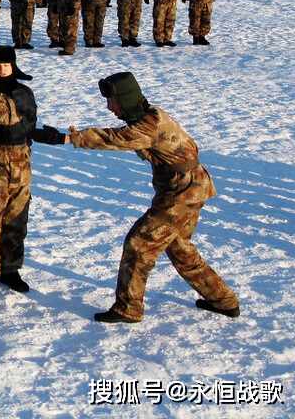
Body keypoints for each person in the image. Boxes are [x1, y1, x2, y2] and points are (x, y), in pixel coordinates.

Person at [51, 72, 240, 323]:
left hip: (181, 194)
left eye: (113, 102)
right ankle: (223, 300)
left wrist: (67, 138)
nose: (110, 108)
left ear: (126, 99)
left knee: (139, 244)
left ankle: (128, 308)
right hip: (189, 188)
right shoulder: (148, 114)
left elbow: (116, 139)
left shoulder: (149, 125)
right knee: (179, 248)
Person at [0, 44, 50, 295]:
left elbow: (30, 123)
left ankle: (11, 269)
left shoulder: (25, 92)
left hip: (21, 165)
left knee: (16, 221)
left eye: (6, 65)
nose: (2, 70)